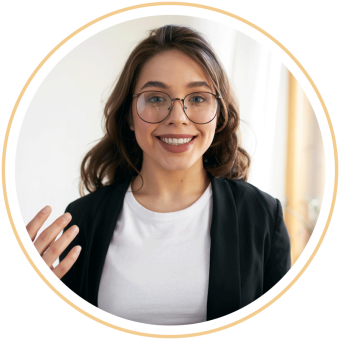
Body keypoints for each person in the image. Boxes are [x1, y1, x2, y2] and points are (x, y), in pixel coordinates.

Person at [26, 25, 291, 325]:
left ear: (219, 113)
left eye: (198, 98)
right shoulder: (82, 220)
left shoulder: (263, 217)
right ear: (128, 114)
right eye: (155, 98)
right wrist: (34, 302)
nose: (178, 118)